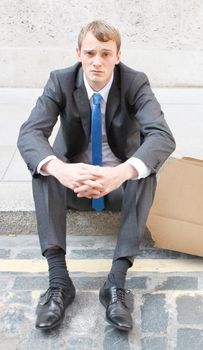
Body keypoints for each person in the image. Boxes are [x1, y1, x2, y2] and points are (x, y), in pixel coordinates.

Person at [17, 20, 175, 332]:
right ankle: (59, 282)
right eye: (90, 52)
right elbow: (30, 134)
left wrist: (119, 174)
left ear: (118, 55)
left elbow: (162, 137)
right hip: (73, 184)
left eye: (106, 53)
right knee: (43, 168)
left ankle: (116, 284)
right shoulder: (60, 81)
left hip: (117, 187)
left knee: (145, 172)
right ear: (78, 53)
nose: (97, 61)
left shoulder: (134, 83)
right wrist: (62, 170)